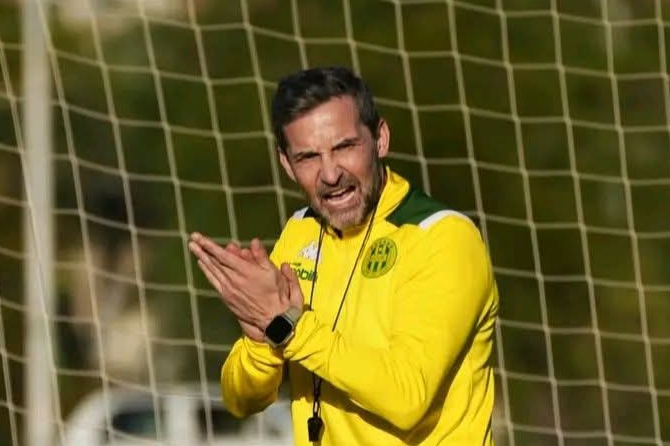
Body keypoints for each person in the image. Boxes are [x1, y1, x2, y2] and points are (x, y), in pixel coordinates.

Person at [188, 66, 499, 445]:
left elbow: (407, 397)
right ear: (287, 165)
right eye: (308, 157)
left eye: (344, 147)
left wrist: (288, 328)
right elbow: (240, 400)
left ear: (380, 139)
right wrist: (260, 342)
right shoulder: (300, 232)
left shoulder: (442, 237)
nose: (330, 174)